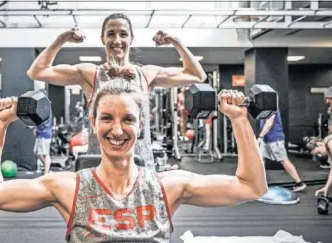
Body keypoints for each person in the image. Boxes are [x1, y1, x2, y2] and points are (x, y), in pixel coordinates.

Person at [0, 76, 267, 243]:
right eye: (107, 118)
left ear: (141, 125)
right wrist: (0, 124)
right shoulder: (69, 188)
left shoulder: (168, 186)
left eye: (128, 119)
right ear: (93, 121)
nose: (117, 129)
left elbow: (250, 186)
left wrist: (240, 119)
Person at [26, 13, 207, 169]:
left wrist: (176, 42)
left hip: (139, 165)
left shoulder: (146, 75)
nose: (117, 40)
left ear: (131, 39)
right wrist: (62, 38)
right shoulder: (92, 74)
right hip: (100, 164)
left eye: (123, 34)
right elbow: (37, 72)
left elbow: (197, 75)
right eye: (111, 34)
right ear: (103, 38)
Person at [257, 109, 307, 192]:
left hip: (275, 139)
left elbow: (269, 123)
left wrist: (260, 136)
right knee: (261, 158)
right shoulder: (263, 108)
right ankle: (260, 182)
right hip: (266, 139)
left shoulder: (271, 108)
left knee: (283, 160)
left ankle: (299, 183)